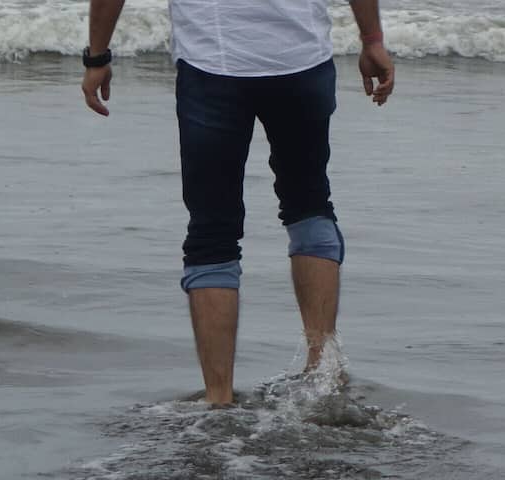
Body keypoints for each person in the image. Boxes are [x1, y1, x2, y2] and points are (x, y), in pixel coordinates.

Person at [80, 0, 395, 407]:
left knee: (212, 233)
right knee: (310, 205)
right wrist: (372, 39)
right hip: (301, 61)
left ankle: (218, 401)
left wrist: (98, 57)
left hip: (214, 66)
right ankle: (323, 376)